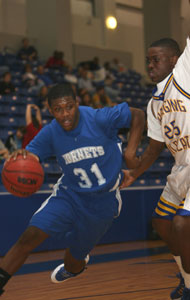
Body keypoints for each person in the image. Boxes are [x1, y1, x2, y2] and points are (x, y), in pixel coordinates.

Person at [0, 82, 145, 296]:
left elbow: (139, 115)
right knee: (29, 237)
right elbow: (31, 156)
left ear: (77, 103)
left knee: (73, 262)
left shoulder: (99, 118)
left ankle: (74, 267)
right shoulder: (50, 132)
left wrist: (130, 153)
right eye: (58, 109)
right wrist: (19, 158)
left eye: (69, 107)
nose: (65, 114)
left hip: (103, 203)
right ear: (51, 111)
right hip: (69, 195)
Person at [120, 37, 190, 300]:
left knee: (183, 225)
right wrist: (134, 174)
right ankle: (186, 276)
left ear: (175, 60)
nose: (150, 65)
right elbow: (154, 148)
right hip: (182, 167)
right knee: (161, 222)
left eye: (156, 59)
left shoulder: (184, 74)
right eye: (148, 60)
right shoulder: (154, 103)